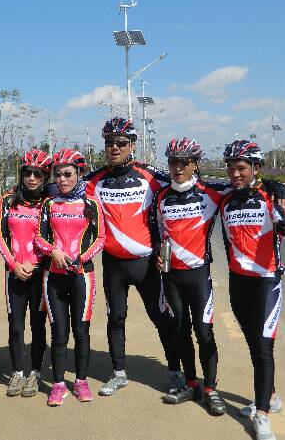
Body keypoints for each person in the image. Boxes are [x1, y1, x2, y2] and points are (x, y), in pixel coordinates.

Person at [85, 117, 195, 397]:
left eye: (121, 142)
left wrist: (270, 186)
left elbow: (190, 183)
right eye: (109, 142)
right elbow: (59, 188)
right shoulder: (95, 180)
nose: (114, 147)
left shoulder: (150, 176)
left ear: (132, 144)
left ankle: (175, 371)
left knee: (160, 317)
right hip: (113, 264)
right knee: (115, 318)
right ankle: (118, 373)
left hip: (145, 263)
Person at [219, 140, 285, 440]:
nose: (235, 174)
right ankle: (271, 397)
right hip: (238, 282)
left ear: (255, 168)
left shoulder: (270, 196)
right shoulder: (226, 200)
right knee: (254, 343)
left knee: (264, 347)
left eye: (241, 168)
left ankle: (263, 415)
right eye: (231, 168)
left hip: (267, 281)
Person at [151, 138, 229, 414]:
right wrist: (157, 254)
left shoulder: (211, 192)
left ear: (196, 164)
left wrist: (277, 188)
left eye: (184, 162)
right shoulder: (161, 196)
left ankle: (211, 389)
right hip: (171, 277)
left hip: (198, 276)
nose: (178, 168)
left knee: (204, 332)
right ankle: (191, 383)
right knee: (180, 331)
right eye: (173, 162)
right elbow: (157, 231)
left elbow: (245, 185)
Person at [35, 149, 105, 407]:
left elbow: (101, 238)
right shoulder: (49, 204)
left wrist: (82, 258)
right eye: (58, 175)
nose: (62, 179)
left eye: (68, 174)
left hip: (81, 276)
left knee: (81, 331)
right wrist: (53, 252)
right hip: (53, 276)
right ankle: (58, 385)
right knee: (58, 332)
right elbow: (39, 237)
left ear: (79, 174)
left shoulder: (91, 204)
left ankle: (81, 381)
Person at [0, 149, 51, 397]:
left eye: (37, 174)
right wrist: (14, 265)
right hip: (14, 272)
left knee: (38, 325)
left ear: (45, 177)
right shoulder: (8, 200)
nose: (31, 178)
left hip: (39, 273)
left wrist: (34, 264)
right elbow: (0, 235)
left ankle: (35, 373)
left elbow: (51, 238)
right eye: (27, 173)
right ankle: (18, 372)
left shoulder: (49, 202)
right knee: (16, 325)